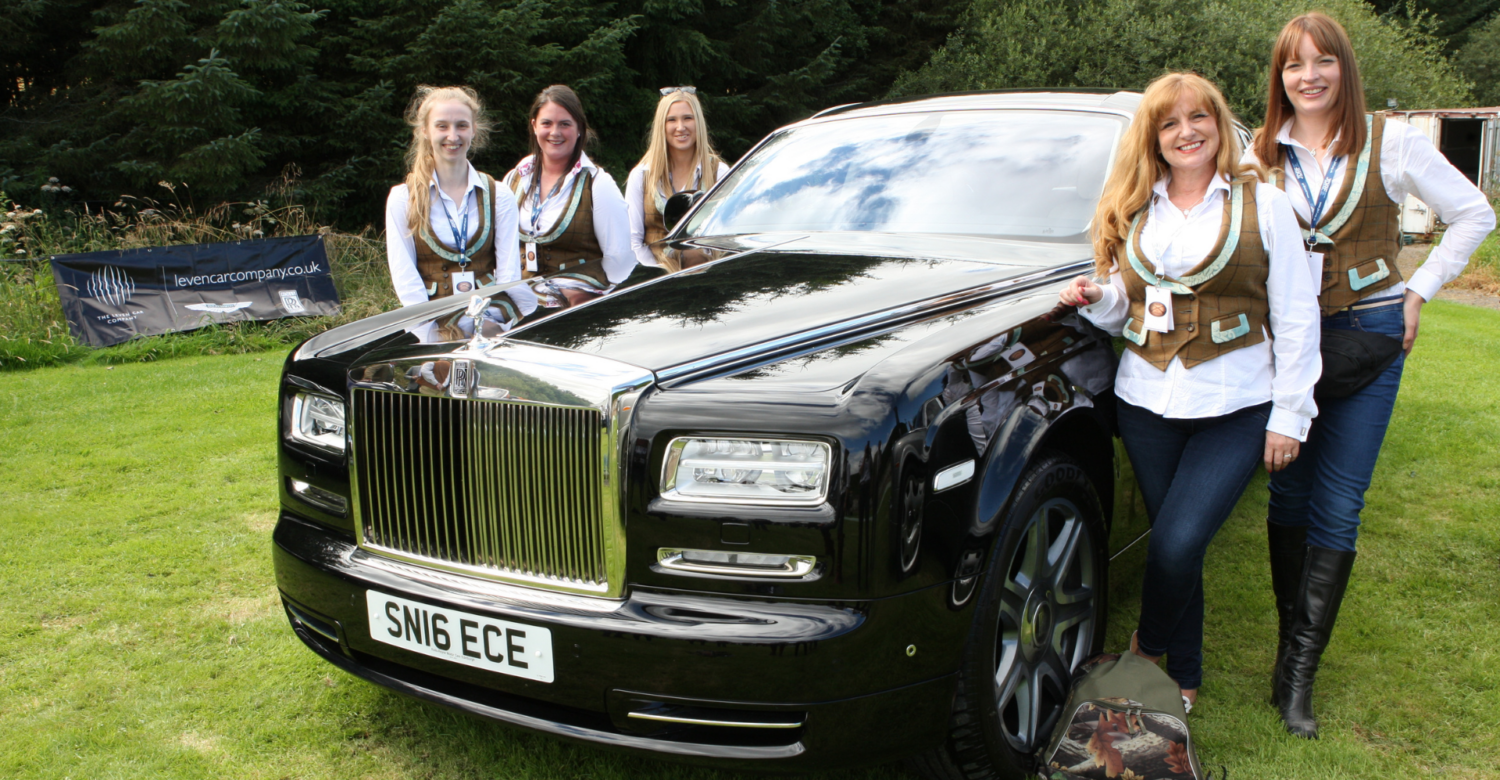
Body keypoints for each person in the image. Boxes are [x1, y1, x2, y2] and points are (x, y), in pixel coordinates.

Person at [1245, 12, 1496, 739]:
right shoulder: (1260, 151)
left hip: (1369, 331)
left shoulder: (1392, 141)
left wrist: (1418, 291)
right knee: (1286, 486)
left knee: (1341, 499)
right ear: (1280, 78)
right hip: (1288, 340)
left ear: (1344, 70)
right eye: (1295, 65)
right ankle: (1289, 641)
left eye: (1323, 62)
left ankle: (1298, 674)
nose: (1309, 76)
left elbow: (1473, 214)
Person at [1059, 72, 1322, 713]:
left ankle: (1146, 649)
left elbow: (1296, 315)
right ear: (1154, 137)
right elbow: (1132, 300)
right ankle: (1186, 677)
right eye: (1170, 123)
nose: (1187, 133)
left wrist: (1290, 414)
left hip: (1235, 404)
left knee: (1177, 543)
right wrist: (1099, 298)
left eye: (1198, 117)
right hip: (1146, 401)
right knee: (1181, 543)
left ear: (1217, 123)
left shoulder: (1267, 205)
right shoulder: (1135, 204)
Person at [385, 86, 524, 316]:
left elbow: (509, 277)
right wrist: (432, 338)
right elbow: (406, 281)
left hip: (491, 322)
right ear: (425, 131)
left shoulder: (499, 195)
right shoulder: (403, 198)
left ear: (473, 130)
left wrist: (497, 325)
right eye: (442, 126)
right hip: (432, 325)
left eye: (462, 125)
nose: (453, 136)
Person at [503, 85, 634, 307]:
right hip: (523, 307)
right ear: (534, 126)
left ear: (579, 129)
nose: (555, 132)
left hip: (577, 309)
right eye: (547, 123)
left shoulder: (598, 184)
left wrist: (585, 294)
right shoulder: (515, 179)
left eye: (565, 124)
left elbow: (620, 261)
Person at [625, 87, 730, 272]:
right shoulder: (641, 176)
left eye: (688, 118)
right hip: (657, 281)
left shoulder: (719, 173)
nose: (680, 127)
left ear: (698, 122)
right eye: (671, 120)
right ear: (661, 126)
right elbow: (632, 243)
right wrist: (662, 272)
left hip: (708, 279)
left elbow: (726, 236)